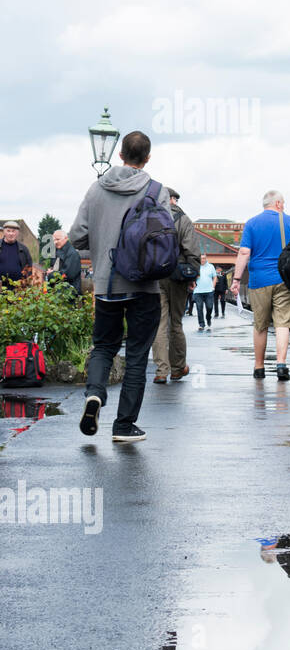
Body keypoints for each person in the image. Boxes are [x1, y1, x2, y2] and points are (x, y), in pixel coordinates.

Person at [68, 131, 168, 443]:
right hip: (145, 286)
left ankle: (95, 395)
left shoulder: (97, 189)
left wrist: (100, 245)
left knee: (104, 346)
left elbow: (76, 236)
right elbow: (165, 236)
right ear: (147, 158)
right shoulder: (156, 190)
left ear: (120, 155)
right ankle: (124, 426)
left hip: (106, 285)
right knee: (137, 355)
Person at [230, 191, 290, 380]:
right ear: (277, 203)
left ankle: (259, 367)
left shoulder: (252, 223)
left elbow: (244, 252)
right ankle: (281, 365)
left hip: (259, 280)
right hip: (284, 279)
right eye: (282, 203)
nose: (283, 206)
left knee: (260, 325)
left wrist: (236, 279)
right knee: (282, 323)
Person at [151, 188, 200, 384]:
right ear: (172, 199)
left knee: (160, 324)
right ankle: (178, 368)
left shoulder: (150, 217)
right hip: (177, 274)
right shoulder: (183, 219)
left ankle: (161, 371)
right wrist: (192, 276)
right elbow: (192, 251)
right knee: (176, 323)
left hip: (154, 276)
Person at [51, 229, 83, 297]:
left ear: (66, 238)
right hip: (58, 292)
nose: (55, 242)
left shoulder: (72, 254)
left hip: (68, 294)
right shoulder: (56, 252)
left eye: (58, 239)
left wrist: (51, 274)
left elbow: (68, 275)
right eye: (54, 240)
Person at [0, 221, 32, 285]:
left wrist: (26, 282)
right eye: (8, 231)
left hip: (18, 288)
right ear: (4, 232)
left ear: (18, 233)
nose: (11, 233)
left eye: (13, 231)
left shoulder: (23, 249)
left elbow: (29, 268)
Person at [192, 253, 216, 331]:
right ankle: (201, 324)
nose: (202, 260)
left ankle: (208, 318)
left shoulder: (211, 266)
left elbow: (215, 277)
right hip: (198, 291)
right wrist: (193, 282)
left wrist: (213, 287)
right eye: (201, 258)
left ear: (206, 259)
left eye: (204, 258)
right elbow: (191, 276)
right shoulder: (195, 266)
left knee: (210, 307)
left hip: (209, 291)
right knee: (199, 308)